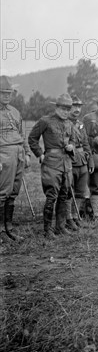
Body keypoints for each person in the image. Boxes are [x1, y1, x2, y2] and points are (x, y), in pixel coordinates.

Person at [28, 94, 76, 237]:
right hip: (51, 163)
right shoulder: (45, 121)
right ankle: (47, 229)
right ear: (56, 107)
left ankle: (60, 227)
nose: (65, 112)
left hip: (66, 163)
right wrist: (40, 154)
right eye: (63, 108)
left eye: (68, 109)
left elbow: (73, 139)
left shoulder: (70, 124)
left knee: (64, 194)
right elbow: (32, 138)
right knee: (51, 195)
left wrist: (71, 146)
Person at [0, 75, 32, 242]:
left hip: (18, 154)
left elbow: (22, 135)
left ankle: (9, 228)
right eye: (3, 93)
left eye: (9, 93)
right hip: (3, 155)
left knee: (13, 192)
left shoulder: (15, 111)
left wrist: (26, 153)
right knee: (2, 193)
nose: (7, 96)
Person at [67, 95, 92, 229]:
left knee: (81, 191)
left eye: (79, 106)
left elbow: (86, 143)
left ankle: (76, 215)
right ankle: (68, 217)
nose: (77, 109)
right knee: (68, 191)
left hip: (82, 160)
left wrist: (91, 161)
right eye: (74, 106)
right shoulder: (65, 123)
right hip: (70, 159)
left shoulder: (80, 124)